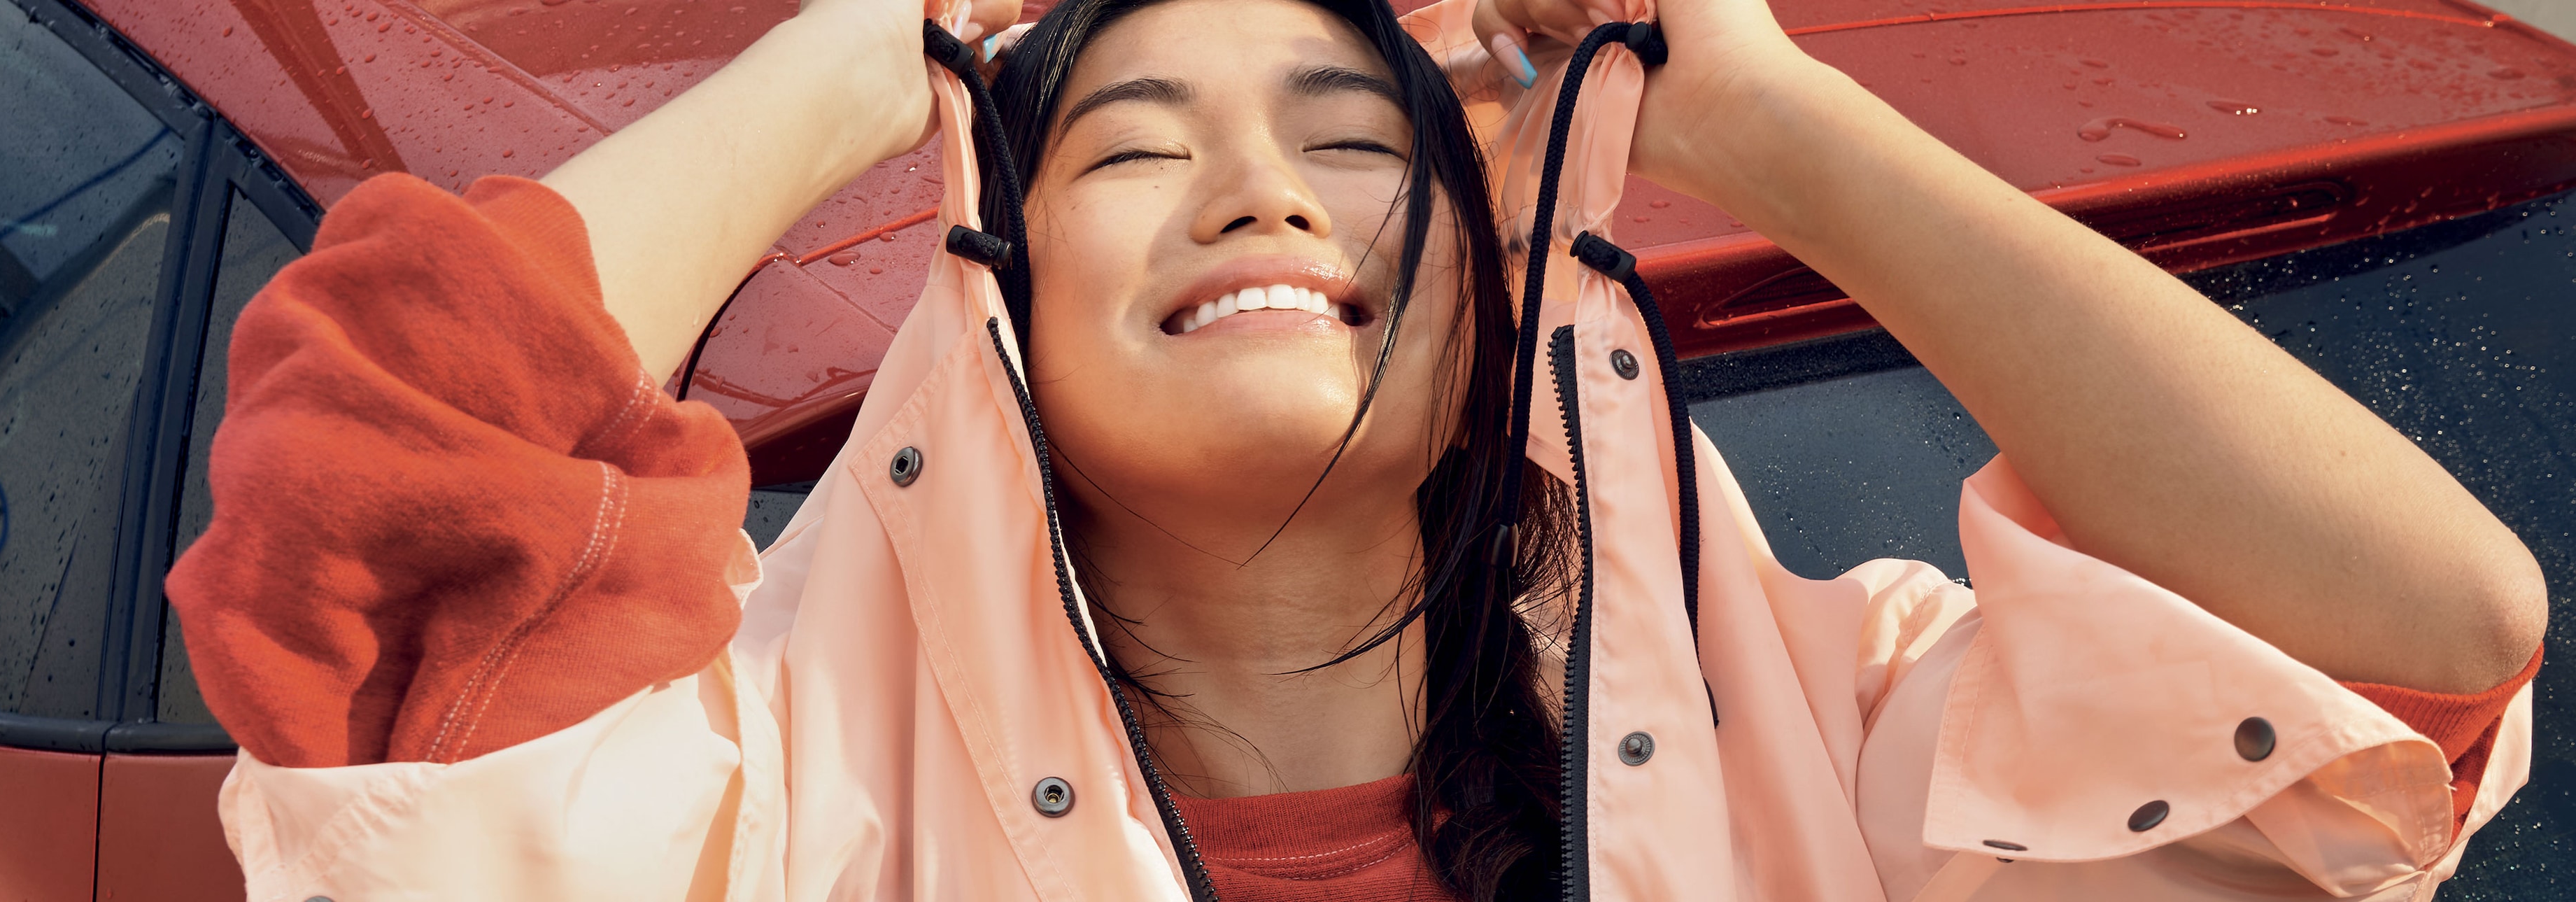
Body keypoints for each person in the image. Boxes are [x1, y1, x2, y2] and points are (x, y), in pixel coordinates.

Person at [164, 0, 2549, 896]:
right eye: (1131, 146)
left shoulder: (1829, 756)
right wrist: (860, 49)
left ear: (1493, 307)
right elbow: (385, 459)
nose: (1262, 188)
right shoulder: (765, 817)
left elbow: (2426, 643)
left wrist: (1772, 113)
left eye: (1346, 136)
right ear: (994, 311)